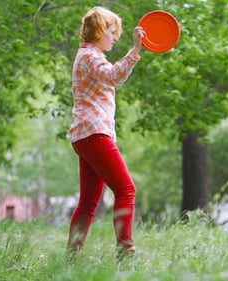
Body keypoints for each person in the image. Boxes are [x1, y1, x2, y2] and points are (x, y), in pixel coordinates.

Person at [66, 6, 145, 259]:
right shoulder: (91, 57)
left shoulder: (87, 55)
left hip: (85, 136)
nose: (115, 37)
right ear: (99, 31)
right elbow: (114, 76)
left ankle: (72, 258)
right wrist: (135, 51)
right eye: (112, 32)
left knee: (89, 202)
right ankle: (126, 253)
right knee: (126, 190)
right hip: (94, 134)